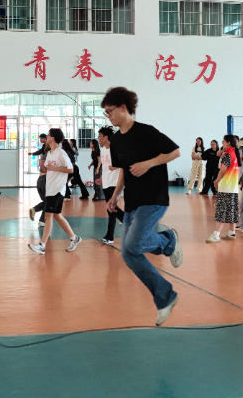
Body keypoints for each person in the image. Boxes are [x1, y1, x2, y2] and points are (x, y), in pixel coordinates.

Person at [103, 87, 183, 326]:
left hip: (154, 198)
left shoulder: (146, 132)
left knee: (133, 244)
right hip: (133, 200)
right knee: (128, 253)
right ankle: (165, 295)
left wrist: (149, 164)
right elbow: (124, 172)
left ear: (123, 108)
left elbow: (174, 152)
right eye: (106, 112)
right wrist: (115, 196)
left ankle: (168, 240)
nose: (108, 116)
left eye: (110, 111)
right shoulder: (116, 140)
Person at [28, 129, 82, 254]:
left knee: (48, 216)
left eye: (48, 135)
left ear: (52, 138)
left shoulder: (61, 153)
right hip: (50, 189)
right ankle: (74, 238)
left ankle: (42, 245)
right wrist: (43, 167)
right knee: (56, 215)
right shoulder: (50, 153)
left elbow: (70, 170)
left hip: (57, 189)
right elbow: (49, 171)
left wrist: (55, 168)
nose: (46, 137)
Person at [207, 135, 242, 243]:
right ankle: (232, 232)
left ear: (229, 143)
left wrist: (216, 181)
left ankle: (216, 234)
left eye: (223, 142)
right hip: (233, 187)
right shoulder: (234, 153)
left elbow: (222, 171)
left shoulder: (227, 155)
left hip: (226, 186)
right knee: (232, 210)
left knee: (221, 210)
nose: (222, 143)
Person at [98, 127, 123, 245]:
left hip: (115, 182)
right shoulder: (103, 150)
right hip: (106, 182)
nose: (98, 138)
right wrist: (101, 178)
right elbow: (104, 167)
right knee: (111, 208)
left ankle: (110, 236)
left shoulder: (116, 149)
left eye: (100, 136)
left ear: (106, 137)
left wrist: (115, 167)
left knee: (111, 208)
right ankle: (129, 221)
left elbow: (125, 164)